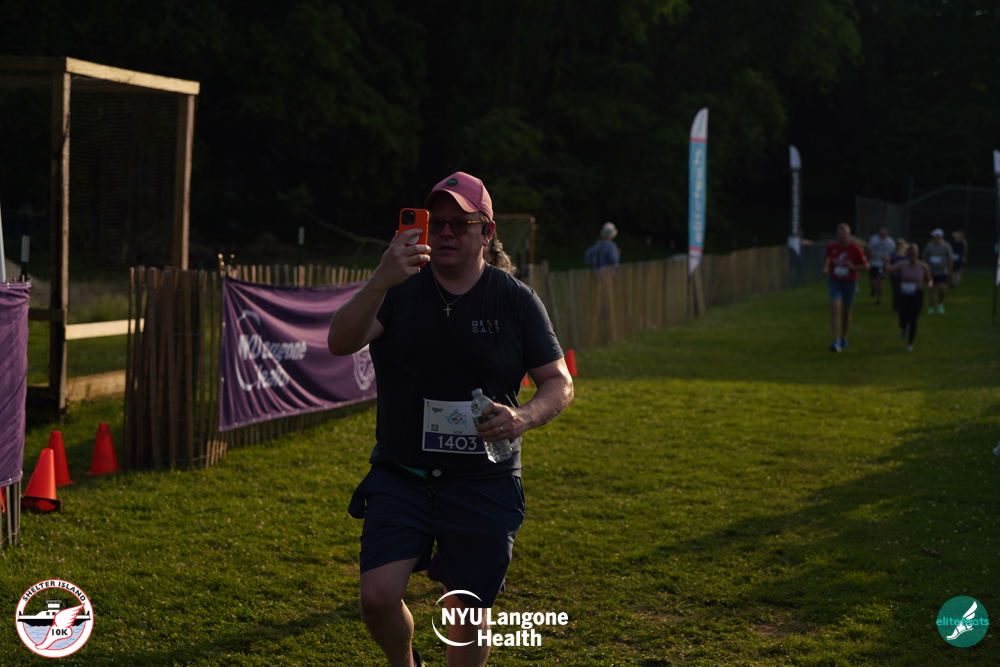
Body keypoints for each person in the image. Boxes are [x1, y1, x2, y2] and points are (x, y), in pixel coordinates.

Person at [327, 171, 574, 667]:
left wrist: (522, 417)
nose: (445, 233)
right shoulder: (397, 290)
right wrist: (380, 279)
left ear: (487, 232)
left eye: (460, 224)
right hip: (403, 475)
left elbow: (559, 382)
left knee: (466, 610)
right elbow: (340, 341)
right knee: (377, 597)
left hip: (483, 480)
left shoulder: (515, 299)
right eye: (436, 223)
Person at [822, 222, 869, 352]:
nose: (842, 237)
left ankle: (844, 337)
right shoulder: (832, 247)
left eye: (845, 234)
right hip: (835, 281)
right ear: (837, 235)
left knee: (846, 312)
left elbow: (866, 267)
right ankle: (836, 340)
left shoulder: (855, 249)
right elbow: (827, 257)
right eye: (840, 234)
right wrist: (825, 268)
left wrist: (853, 267)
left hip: (850, 282)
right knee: (835, 309)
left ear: (849, 235)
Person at [886, 242, 932, 351]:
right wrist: (886, 262)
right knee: (903, 316)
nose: (912, 257)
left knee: (913, 319)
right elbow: (889, 270)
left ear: (917, 254)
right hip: (904, 293)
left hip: (917, 294)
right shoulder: (902, 264)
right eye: (910, 254)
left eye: (913, 254)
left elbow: (929, 279)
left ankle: (910, 343)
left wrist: (930, 285)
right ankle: (903, 328)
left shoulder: (923, 266)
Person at [922, 229, 953, 314]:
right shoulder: (929, 246)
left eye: (936, 236)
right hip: (931, 272)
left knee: (942, 288)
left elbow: (950, 258)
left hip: (942, 271)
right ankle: (931, 307)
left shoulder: (946, 246)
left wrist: (950, 270)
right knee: (931, 289)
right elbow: (925, 257)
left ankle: (940, 303)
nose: (934, 238)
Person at [866, 226, 896, 305]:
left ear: (887, 232)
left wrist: (888, 258)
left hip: (883, 264)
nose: (882, 233)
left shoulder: (890, 242)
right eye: (881, 232)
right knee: (872, 281)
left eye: (883, 232)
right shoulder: (874, 239)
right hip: (874, 262)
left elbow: (893, 253)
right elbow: (868, 248)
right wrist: (870, 253)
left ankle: (879, 299)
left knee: (880, 280)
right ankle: (874, 289)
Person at [887, 238, 908, 313]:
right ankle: (896, 307)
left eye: (901, 245)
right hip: (895, 275)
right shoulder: (893, 254)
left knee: (904, 291)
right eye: (898, 245)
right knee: (896, 291)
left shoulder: (906, 254)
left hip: (904, 275)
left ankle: (904, 306)